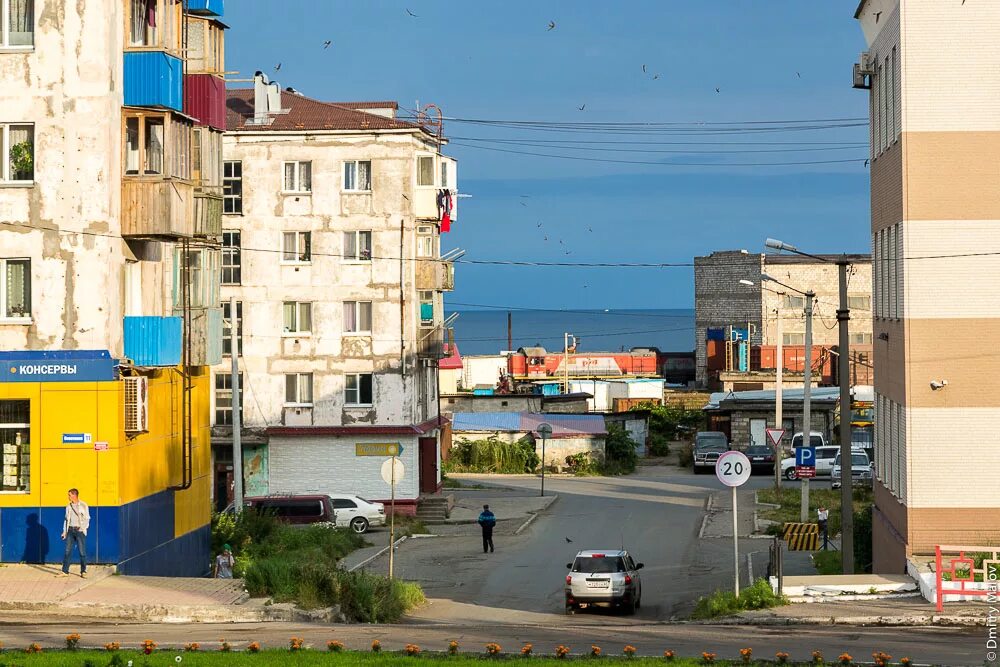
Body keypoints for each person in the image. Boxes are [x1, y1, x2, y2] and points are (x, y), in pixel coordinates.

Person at [60, 488, 90, 578]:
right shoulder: (68, 506)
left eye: (69, 495)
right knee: (67, 551)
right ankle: (65, 571)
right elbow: (66, 520)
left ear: (74, 495)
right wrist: (64, 532)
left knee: (82, 552)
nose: (68, 497)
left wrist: (82, 528)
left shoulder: (83, 505)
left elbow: (87, 518)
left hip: (79, 531)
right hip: (70, 530)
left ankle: (83, 571)